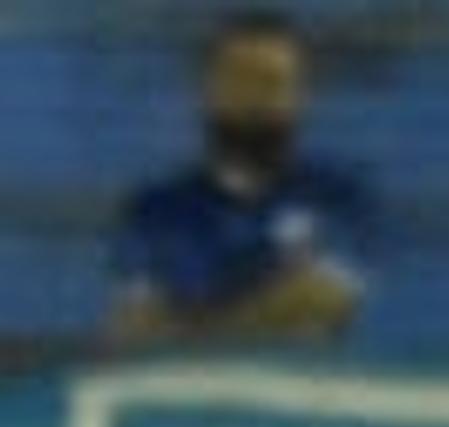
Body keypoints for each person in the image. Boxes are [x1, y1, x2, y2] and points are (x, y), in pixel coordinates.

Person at [104, 11, 374, 349]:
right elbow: (134, 329)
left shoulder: (339, 201)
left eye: (272, 82)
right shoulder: (154, 212)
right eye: (239, 80)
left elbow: (322, 303)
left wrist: (188, 331)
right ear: (205, 90)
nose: (254, 100)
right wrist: (273, 310)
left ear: (303, 96)